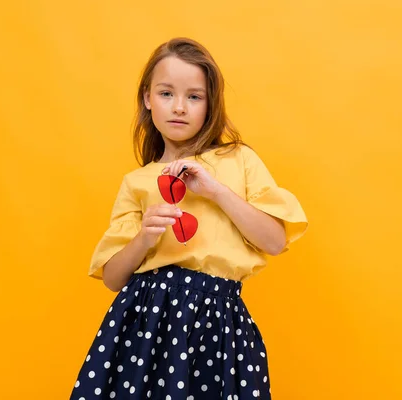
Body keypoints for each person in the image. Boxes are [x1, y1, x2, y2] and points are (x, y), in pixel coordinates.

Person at [70, 37, 308, 400]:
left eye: (194, 97)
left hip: (219, 321)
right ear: (147, 98)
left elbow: (275, 241)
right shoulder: (136, 182)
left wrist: (216, 192)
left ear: (210, 104)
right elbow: (113, 279)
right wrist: (143, 239)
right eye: (166, 94)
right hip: (148, 322)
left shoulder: (239, 160)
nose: (179, 107)